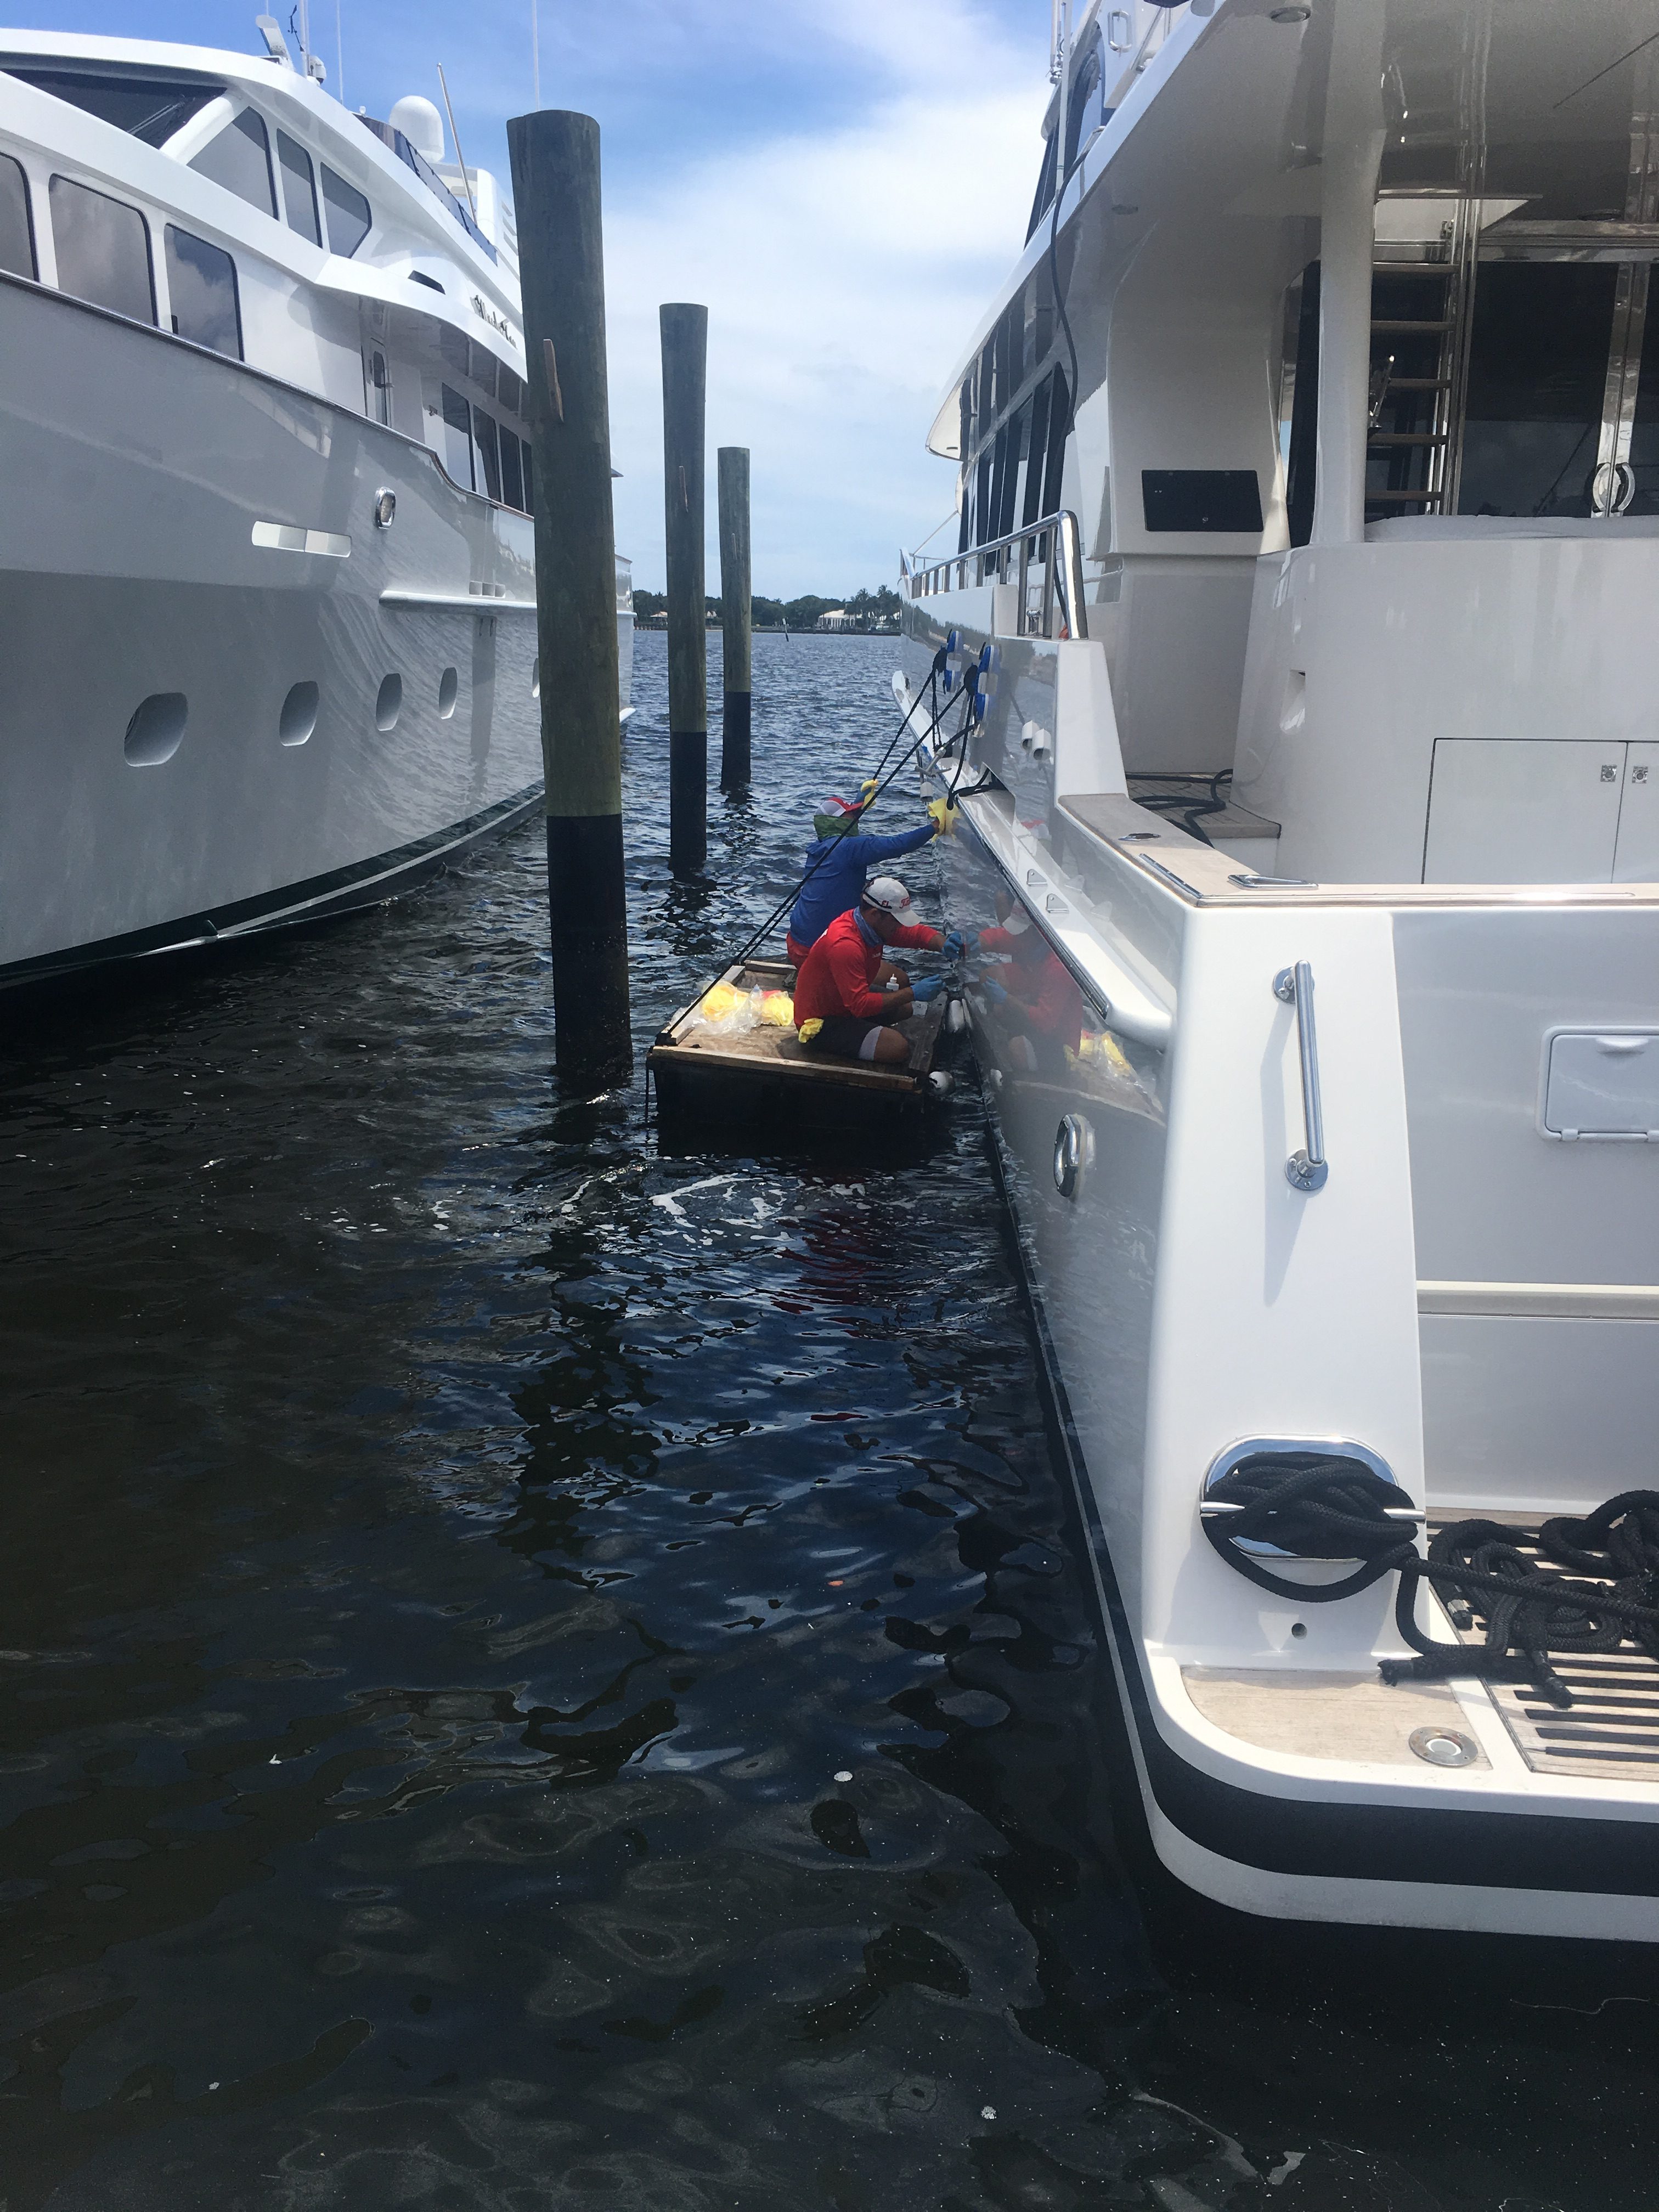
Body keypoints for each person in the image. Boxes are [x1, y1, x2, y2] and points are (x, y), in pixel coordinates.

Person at [793, 877, 964, 1066]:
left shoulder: (867, 923)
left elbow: (913, 934)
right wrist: (913, 993)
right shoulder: (846, 945)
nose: (899, 927)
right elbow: (860, 1006)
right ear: (876, 914)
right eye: (896, 921)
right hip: (820, 1022)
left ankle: (864, 1036)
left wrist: (942, 943)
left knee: (905, 1008)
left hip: (842, 1001)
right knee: (898, 1048)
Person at [785, 787, 941, 966]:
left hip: (796, 944)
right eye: (850, 815)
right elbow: (897, 845)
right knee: (898, 979)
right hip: (817, 951)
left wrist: (859, 805)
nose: (854, 820)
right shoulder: (851, 848)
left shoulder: (819, 848)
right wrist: (934, 828)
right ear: (838, 823)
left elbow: (842, 823)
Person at [976, 894, 1084, 1073]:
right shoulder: (1035, 944)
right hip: (1040, 1007)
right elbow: (1003, 938)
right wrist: (976, 943)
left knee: (1016, 1048)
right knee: (997, 997)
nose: (1015, 938)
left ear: (1037, 932)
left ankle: (1048, 1071)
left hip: (1059, 1040)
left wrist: (1006, 998)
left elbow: (1045, 1022)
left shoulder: (1058, 967)